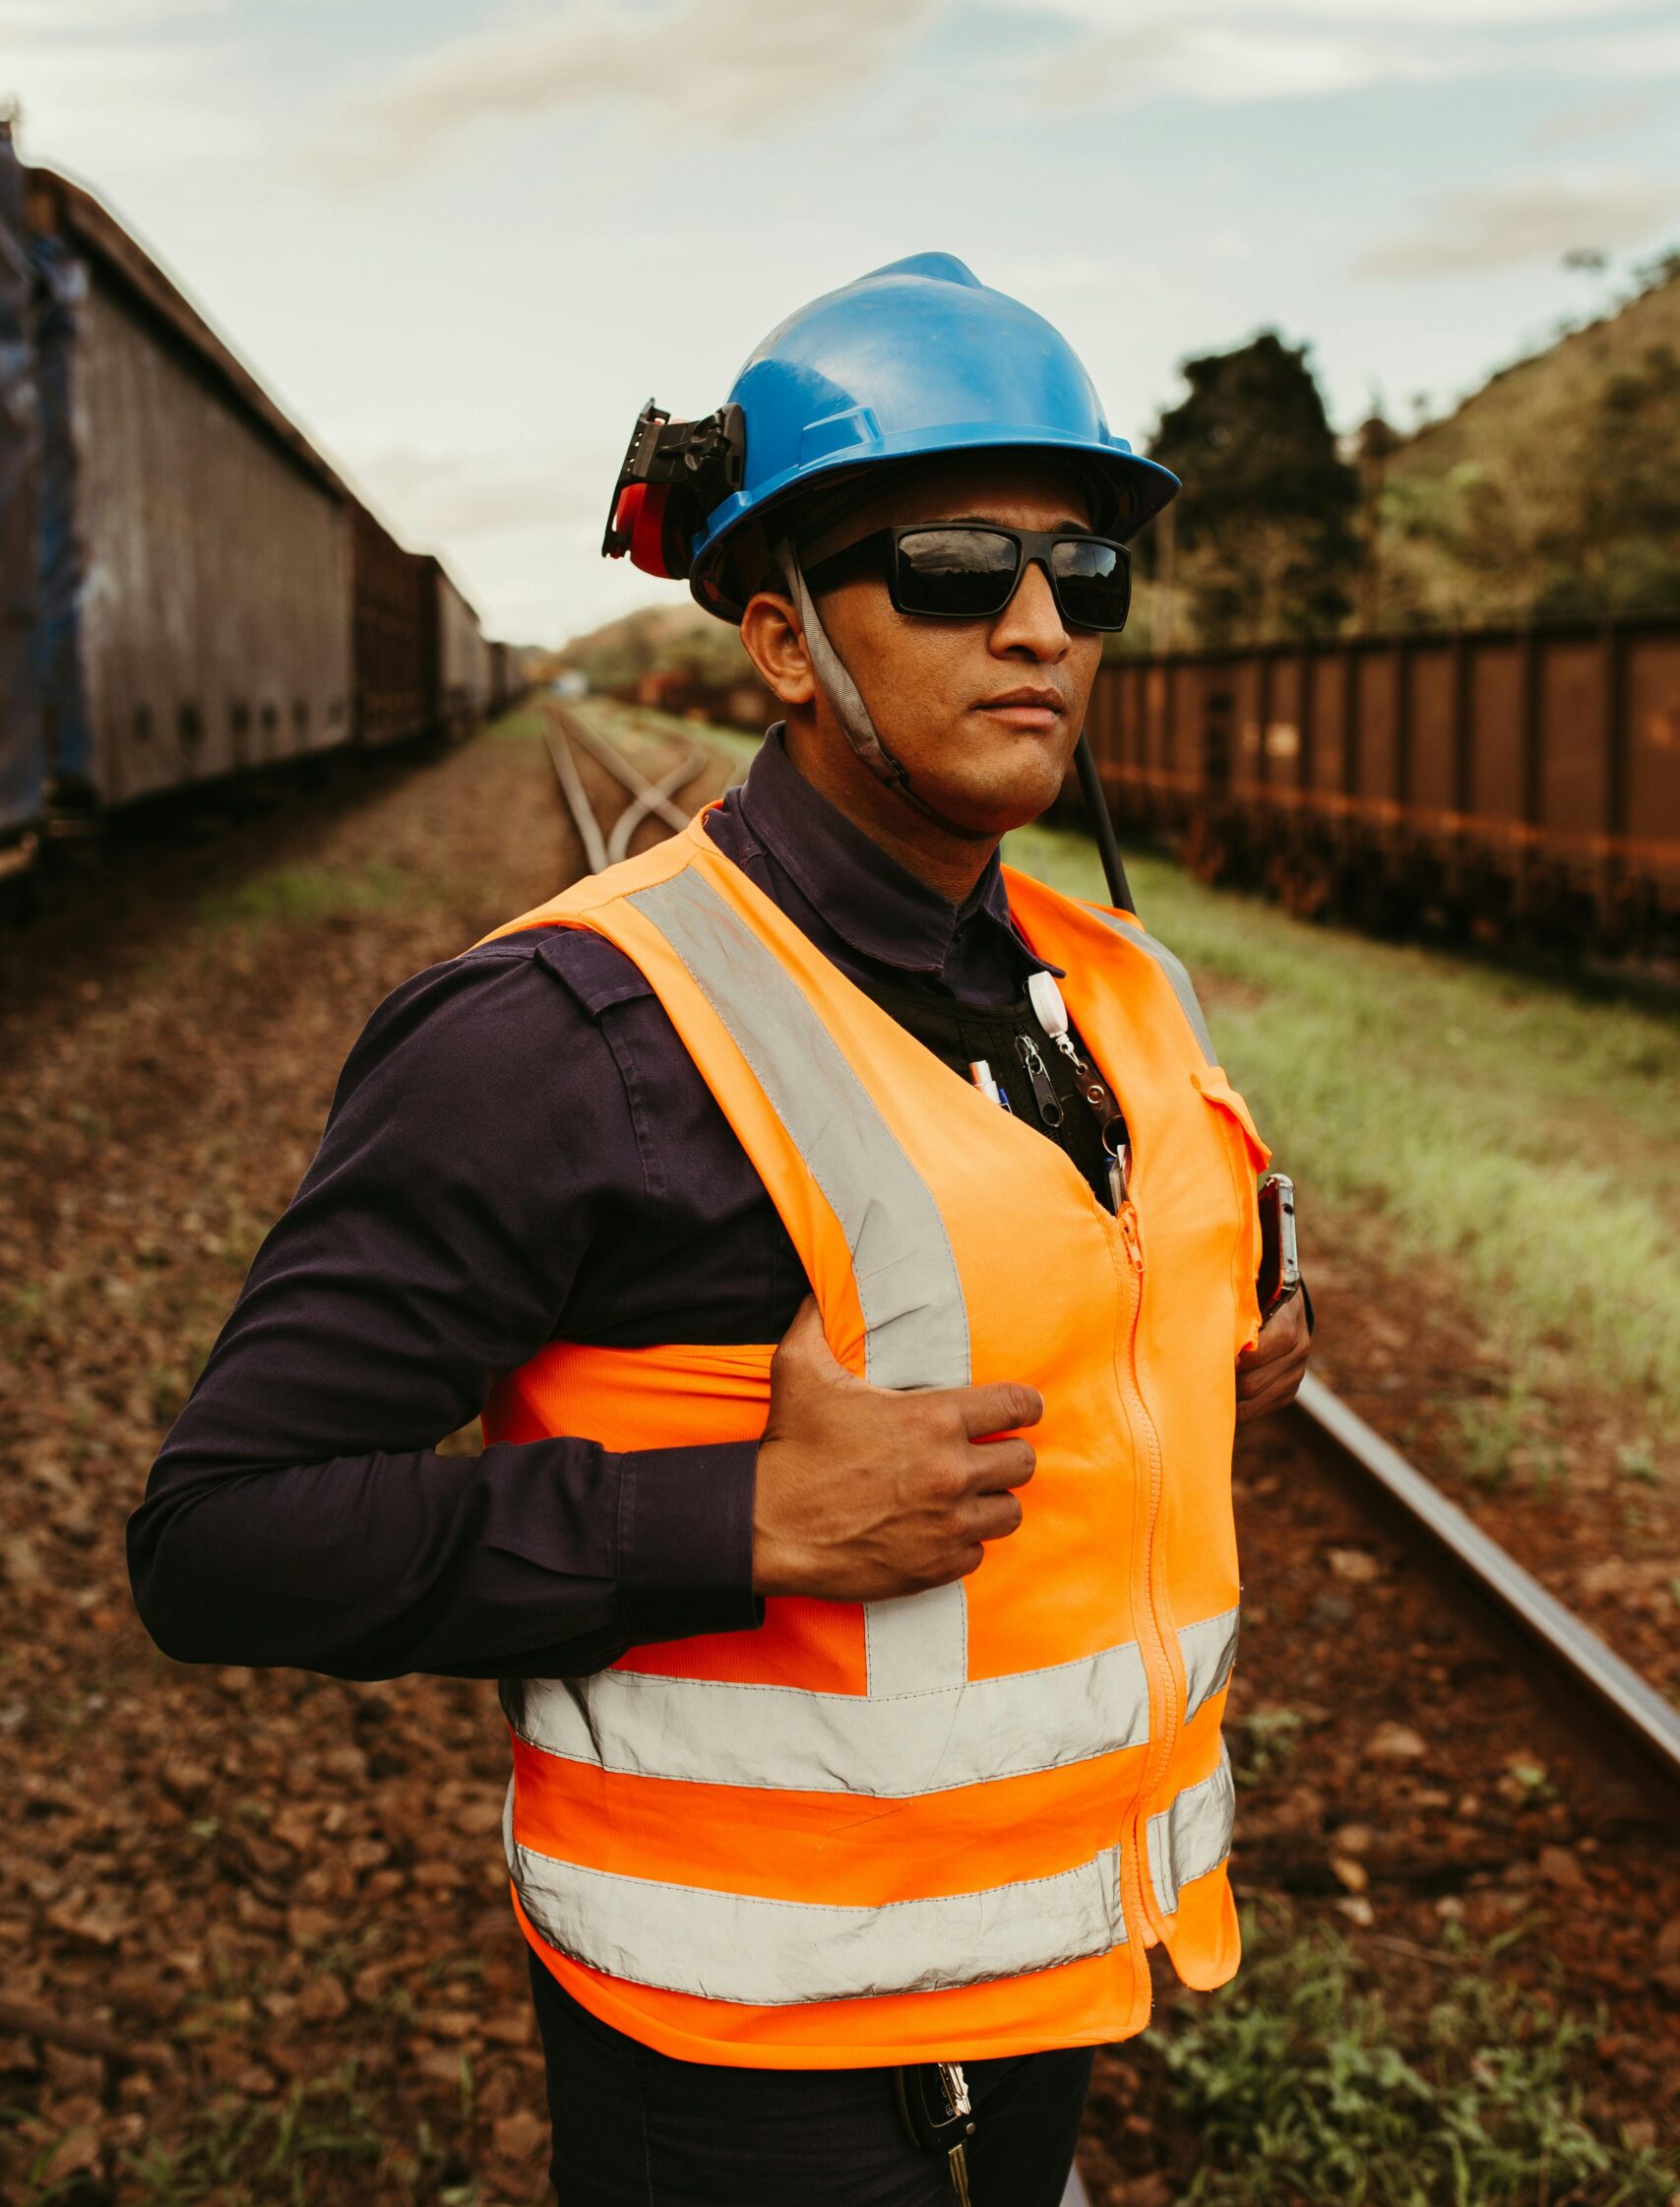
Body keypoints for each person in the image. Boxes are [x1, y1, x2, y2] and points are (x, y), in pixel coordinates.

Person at [130, 254, 1310, 2206]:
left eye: (1079, 573)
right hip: (749, 2060)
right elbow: (221, 1535)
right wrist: (742, 1518)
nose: (1035, 625)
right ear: (779, 640)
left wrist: (1210, 1331)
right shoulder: (558, 1031)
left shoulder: (1098, 980)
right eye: (947, 565)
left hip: (1046, 1972)